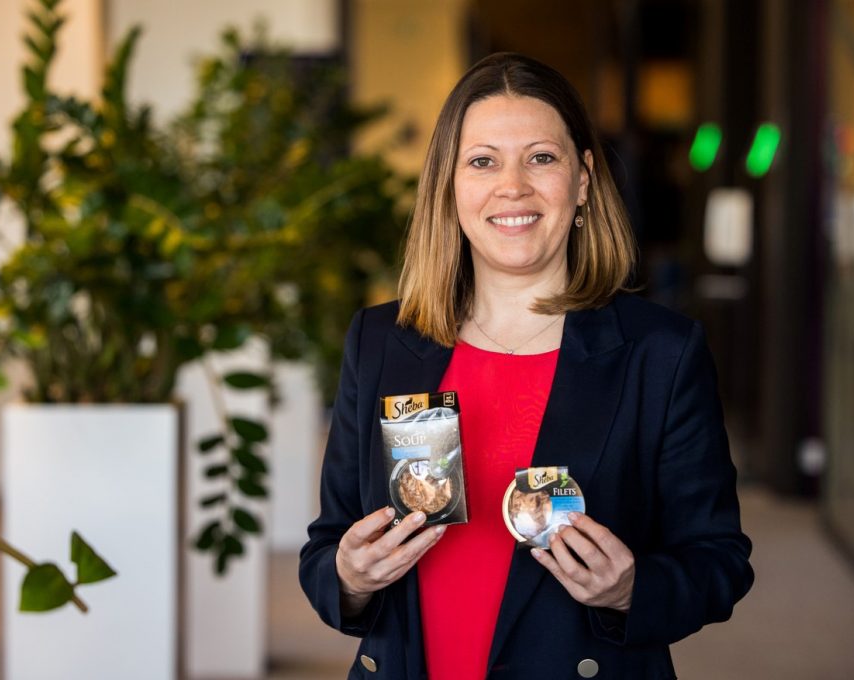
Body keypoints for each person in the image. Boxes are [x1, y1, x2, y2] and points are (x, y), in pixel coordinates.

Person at [299, 52, 753, 680]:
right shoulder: (381, 342)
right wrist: (349, 576)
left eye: (541, 157)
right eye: (483, 161)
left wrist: (631, 589)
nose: (512, 186)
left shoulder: (661, 353)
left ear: (583, 180)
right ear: (449, 186)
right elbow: (327, 546)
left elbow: (718, 559)